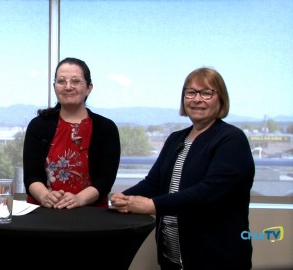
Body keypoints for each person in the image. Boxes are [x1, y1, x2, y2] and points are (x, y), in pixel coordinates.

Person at [111, 67, 254, 270]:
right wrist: (122, 199)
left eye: (206, 93)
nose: (197, 99)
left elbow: (208, 193)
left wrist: (152, 206)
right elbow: (154, 182)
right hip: (173, 256)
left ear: (220, 98)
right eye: (191, 92)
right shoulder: (175, 139)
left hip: (216, 258)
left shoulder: (231, 139)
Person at [23, 57, 121, 209]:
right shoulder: (39, 125)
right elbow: (31, 175)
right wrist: (45, 196)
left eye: (75, 81)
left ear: (89, 88)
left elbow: (105, 179)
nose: (68, 87)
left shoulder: (106, 128)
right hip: (45, 213)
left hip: (91, 215)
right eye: (61, 81)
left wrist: (79, 199)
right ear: (54, 86)